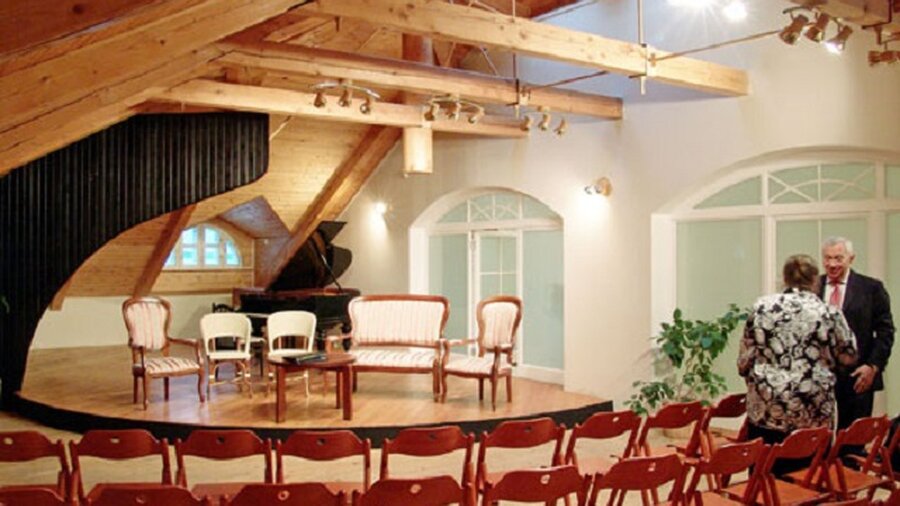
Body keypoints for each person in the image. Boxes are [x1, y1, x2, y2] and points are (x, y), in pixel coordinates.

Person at [739, 254, 857, 475]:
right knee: (807, 472)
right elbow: (848, 356)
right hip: (813, 408)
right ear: (815, 280)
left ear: (784, 278)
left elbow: (745, 360)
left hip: (767, 406)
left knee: (765, 474)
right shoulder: (829, 312)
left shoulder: (761, 308)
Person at [819, 237, 895, 434]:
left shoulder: (871, 288)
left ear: (851, 258)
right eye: (827, 258)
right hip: (818, 379)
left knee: (853, 441)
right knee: (817, 441)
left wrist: (873, 366)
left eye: (838, 258)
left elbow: (885, 332)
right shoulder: (812, 287)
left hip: (858, 377)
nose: (832, 264)